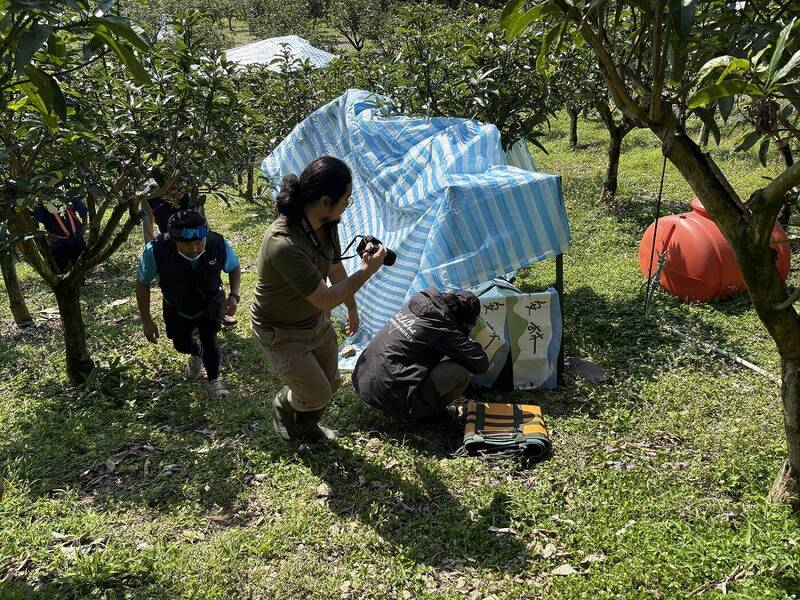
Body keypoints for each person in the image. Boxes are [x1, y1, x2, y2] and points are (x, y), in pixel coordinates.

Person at [251, 156, 387, 443]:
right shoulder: (283, 243)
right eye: (345, 200)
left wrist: (352, 307)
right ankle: (283, 405)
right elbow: (324, 299)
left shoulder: (326, 224)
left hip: (314, 322)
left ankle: (307, 426)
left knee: (332, 382)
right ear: (326, 201)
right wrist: (366, 271)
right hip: (281, 331)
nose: (346, 207)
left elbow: (334, 267)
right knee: (316, 393)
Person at [135, 209, 241, 399]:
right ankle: (196, 353)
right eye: (186, 243)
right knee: (181, 344)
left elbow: (234, 268)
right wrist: (146, 320)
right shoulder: (156, 250)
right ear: (174, 240)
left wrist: (234, 296)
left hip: (210, 302)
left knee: (210, 339)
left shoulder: (218, 244)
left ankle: (214, 382)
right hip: (177, 306)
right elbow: (142, 283)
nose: (194, 248)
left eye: (198, 242)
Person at [352, 289, 489, 421]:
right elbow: (480, 364)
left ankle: (397, 400)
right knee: (461, 372)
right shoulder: (445, 325)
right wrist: (467, 340)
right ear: (463, 321)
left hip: (362, 379)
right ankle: (427, 413)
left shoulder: (418, 303)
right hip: (387, 393)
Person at [31, 199, 88, 273]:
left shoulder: (66, 196)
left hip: (76, 240)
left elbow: (83, 210)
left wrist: (84, 226)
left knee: (81, 267)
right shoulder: (41, 203)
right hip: (58, 243)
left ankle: (80, 280)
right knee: (60, 269)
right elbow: (39, 218)